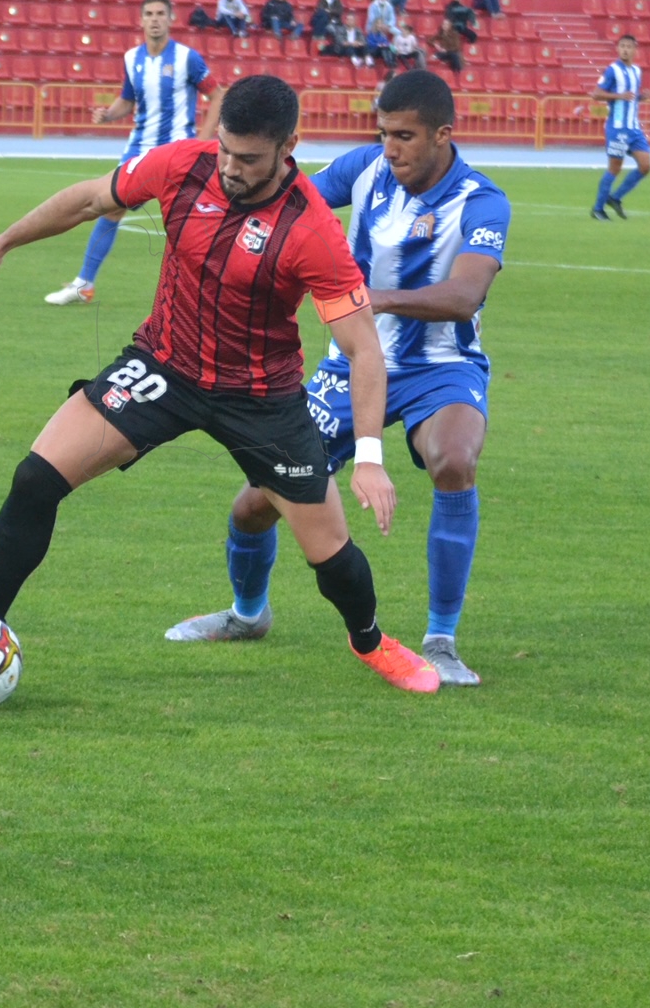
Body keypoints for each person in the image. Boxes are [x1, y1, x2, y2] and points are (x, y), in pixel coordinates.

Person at [0, 73, 436, 696]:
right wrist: (1, 244)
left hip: (261, 396)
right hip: (165, 366)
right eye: (225, 149)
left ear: (289, 147)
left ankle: (371, 642)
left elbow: (364, 350)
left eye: (248, 158)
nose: (230, 167)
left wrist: (370, 458)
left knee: (329, 551)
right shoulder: (183, 165)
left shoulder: (310, 229)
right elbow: (90, 199)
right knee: (35, 479)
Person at [166, 71, 506, 686]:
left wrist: (370, 298)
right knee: (254, 505)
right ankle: (248, 614)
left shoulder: (482, 201)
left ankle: (442, 640)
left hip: (441, 367)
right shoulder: (364, 168)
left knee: (454, 460)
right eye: (384, 134)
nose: (390, 149)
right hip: (350, 366)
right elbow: (286, 200)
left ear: (442, 134)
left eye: (404, 136)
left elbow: (464, 296)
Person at [45, 0, 216, 306]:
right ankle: (84, 285)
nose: (154, 19)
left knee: (188, 219)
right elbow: (128, 99)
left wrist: (203, 142)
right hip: (138, 150)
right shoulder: (131, 58)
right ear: (141, 20)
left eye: (160, 13)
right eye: (149, 14)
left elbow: (217, 95)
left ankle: (207, 292)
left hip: (178, 151)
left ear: (170, 19)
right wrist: (108, 114)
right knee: (110, 208)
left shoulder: (187, 58)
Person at [590, 34, 650, 220]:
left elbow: (630, 97)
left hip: (634, 128)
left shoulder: (637, 71)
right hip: (618, 128)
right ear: (617, 49)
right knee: (614, 168)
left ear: (635, 50)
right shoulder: (612, 70)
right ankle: (598, 209)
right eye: (622, 46)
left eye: (629, 46)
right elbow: (596, 94)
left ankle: (615, 198)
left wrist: (640, 97)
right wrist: (619, 96)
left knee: (645, 166)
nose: (625, 49)